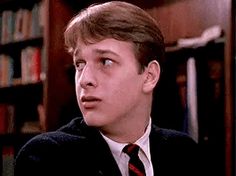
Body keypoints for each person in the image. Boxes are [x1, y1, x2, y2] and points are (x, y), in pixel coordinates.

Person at [14, 1, 201, 176]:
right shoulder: (46, 156)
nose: (84, 79)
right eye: (79, 64)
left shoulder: (185, 151)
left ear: (149, 76)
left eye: (106, 61)